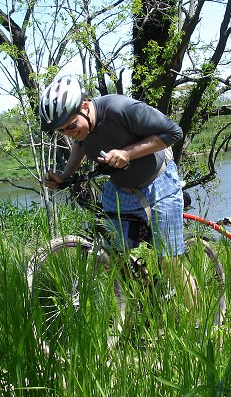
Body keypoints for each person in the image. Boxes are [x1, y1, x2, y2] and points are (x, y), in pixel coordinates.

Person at [39, 74, 195, 309]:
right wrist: (65, 176)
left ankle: (205, 323)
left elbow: (173, 133)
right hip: (120, 189)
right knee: (111, 254)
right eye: (63, 131)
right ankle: (138, 301)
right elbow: (81, 145)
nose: (70, 133)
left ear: (84, 106)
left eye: (71, 126)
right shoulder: (81, 129)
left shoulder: (120, 109)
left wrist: (128, 153)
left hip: (159, 183)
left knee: (168, 263)